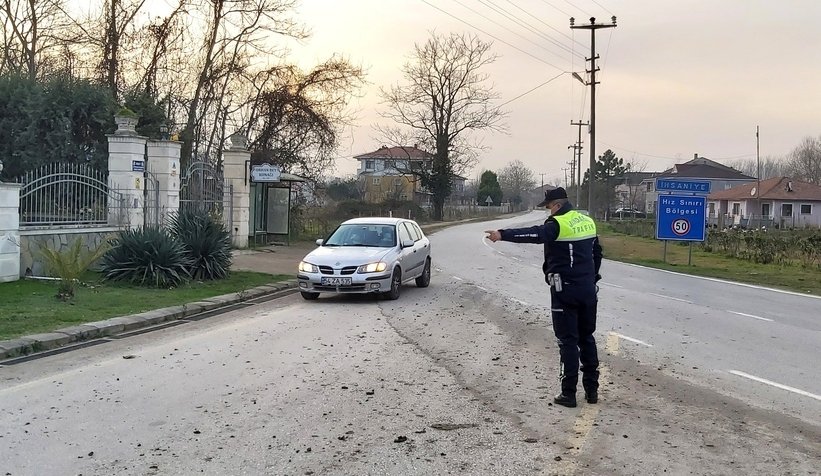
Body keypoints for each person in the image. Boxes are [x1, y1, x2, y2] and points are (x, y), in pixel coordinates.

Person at [484, 187, 603, 408]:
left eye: (548, 208)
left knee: (567, 341)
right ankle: (592, 391)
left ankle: (568, 393)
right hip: (587, 290)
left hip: (564, 290)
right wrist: (592, 277)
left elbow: (534, 234)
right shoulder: (587, 221)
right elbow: (597, 253)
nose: (548, 212)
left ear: (556, 205)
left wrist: (502, 234)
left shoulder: (557, 224)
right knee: (587, 338)